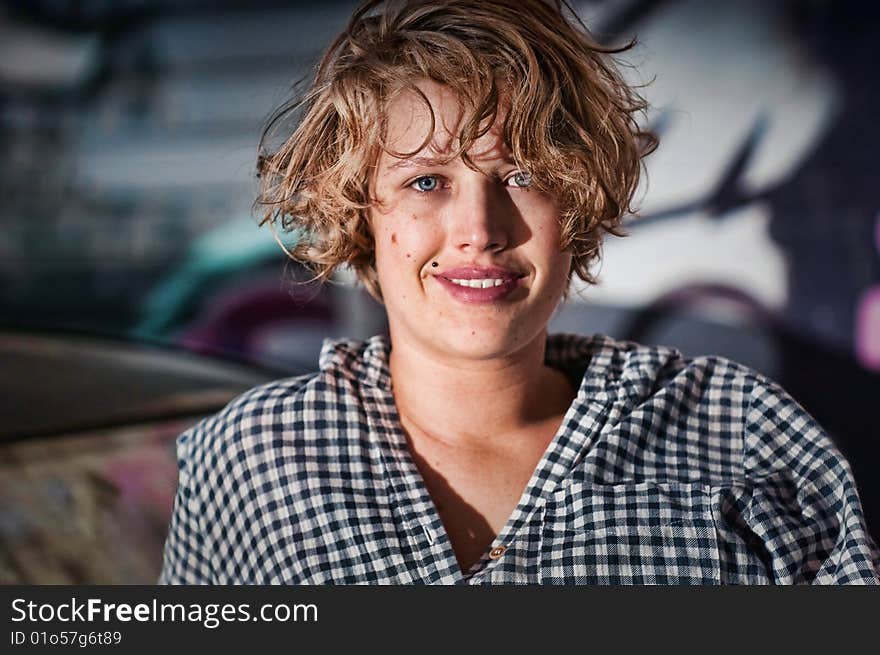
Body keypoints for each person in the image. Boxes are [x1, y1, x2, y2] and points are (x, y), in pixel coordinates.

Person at [159, 0, 879, 584]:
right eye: (427, 181)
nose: (480, 229)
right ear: (363, 212)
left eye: (524, 176)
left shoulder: (741, 432)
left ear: (578, 206)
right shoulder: (250, 459)